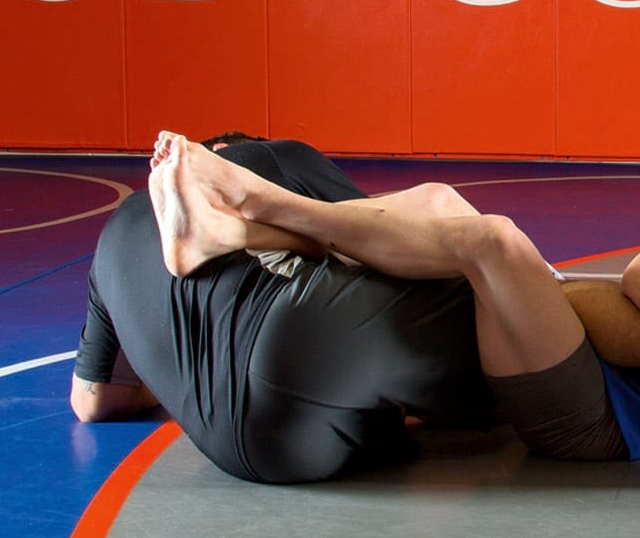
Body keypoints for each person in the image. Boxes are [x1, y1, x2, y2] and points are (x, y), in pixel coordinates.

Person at [149, 131, 640, 487]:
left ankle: (252, 206)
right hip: (578, 334)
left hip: (597, 421)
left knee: (493, 243)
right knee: (438, 204)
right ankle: (235, 232)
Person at [70, 137, 498, 484]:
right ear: (221, 157)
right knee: (444, 228)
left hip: (243, 452)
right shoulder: (273, 156)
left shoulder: (114, 238)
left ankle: (233, 236)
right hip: (308, 360)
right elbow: (390, 244)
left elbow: (92, 402)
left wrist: (173, 370)